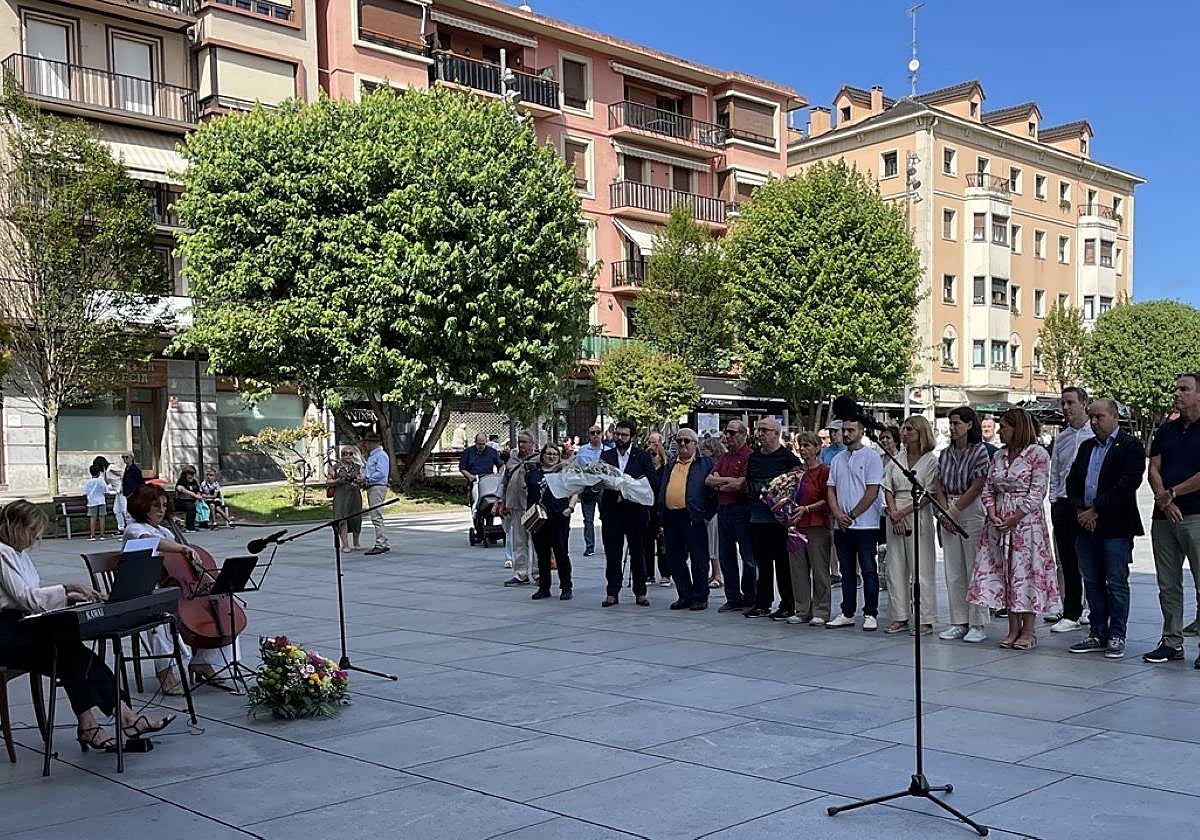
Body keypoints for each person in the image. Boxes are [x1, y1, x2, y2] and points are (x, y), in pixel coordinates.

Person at [0, 500, 175, 752]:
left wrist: (72, 597)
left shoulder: (18, 554)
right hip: (6, 634)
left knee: (71, 651)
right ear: (16, 527)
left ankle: (94, 725)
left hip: (19, 625)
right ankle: (122, 718)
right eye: (32, 531)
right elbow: (27, 598)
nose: (36, 538)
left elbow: (31, 597)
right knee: (70, 653)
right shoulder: (2, 552)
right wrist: (67, 589)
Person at [124, 484, 239, 691]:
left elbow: (178, 563)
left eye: (164, 506)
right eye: (156, 506)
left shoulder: (165, 531)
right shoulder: (134, 529)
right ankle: (164, 671)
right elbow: (151, 542)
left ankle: (201, 661)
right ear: (142, 506)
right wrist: (182, 547)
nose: (162, 510)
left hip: (169, 589)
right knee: (160, 618)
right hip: (141, 591)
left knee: (221, 612)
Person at [967, 408, 1060, 650]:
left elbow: (1038, 491)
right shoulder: (999, 455)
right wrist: (992, 512)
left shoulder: (1037, 454)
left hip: (1026, 525)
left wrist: (1015, 517)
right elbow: (988, 487)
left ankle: (1029, 630)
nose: (1000, 431)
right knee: (1006, 573)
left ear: (1017, 428)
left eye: (1005, 427)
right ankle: (1012, 628)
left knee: (1026, 574)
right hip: (998, 522)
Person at [1065, 398, 1145, 660]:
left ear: (1114, 417)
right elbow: (1072, 480)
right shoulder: (1087, 447)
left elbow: (1127, 484)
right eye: (1091, 417)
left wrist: (1096, 509)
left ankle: (1117, 634)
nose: (1094, 422)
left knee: (1116, 582)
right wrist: (1081, 510)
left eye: (1099, 417)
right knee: (1092, 581)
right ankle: (1098, 631)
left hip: (1115, 526)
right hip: (1085, 525)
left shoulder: (1130, 446)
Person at [1143, 373, 1200, 666]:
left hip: (1196, 515)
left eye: (1184, 389)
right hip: (1164, 517)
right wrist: (1163, 499)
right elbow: (1153, 468)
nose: (1177, 393)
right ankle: (1171, 642)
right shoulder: (1167, 429)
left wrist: (1172, 493)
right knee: (1168, 584)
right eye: (1176, 389)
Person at [933, 406, 992, 643]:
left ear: (969, 425)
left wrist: (954, 511)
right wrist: (945, 512)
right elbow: (938, 484)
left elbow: (977, 485)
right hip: (948, 505)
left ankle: (977, 622)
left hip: (970, 508)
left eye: (957, 423)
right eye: (951, 423)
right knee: (953, 569)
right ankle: (959, 621)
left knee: (974, 567)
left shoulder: (979, 451)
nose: (953, 428)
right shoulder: (945, 453)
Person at [882, 416, 939, 635]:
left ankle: (924, 618)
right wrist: (894, 514)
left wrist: (903, 513)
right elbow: (887, 486)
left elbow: (929, 493)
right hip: (895, 511)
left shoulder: (931, 461)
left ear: (921, 433)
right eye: (904, 429)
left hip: (917, 513)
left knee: (921, 567)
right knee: (895, 567)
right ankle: (899, 615)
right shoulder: (897, 458)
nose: (904, 433)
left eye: (909, 429)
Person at [826, 418, 884, 631]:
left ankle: (870, 613)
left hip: (865, 525)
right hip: (842, 526)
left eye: (851, 430)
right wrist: (837, 514)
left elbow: (872, 490)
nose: (846, 433)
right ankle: (847, 612)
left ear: (861, 431)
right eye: (844, 430)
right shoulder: (838, 459)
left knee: (868, 569)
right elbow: (831, 488)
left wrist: (851, 514)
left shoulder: (872, 457)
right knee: (846, 570)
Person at [1046, 387, 1094, 633]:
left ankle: (1093, 608)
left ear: (1084, 403)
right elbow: (1055, 470)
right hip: (1064, 503)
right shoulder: (1062, 437)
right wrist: (1054, 500)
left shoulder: (1094, 434)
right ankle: (1071, 610)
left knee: (1091, 559)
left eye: (1070, 403)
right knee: (1067, 560)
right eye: (1063, 403)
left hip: (1088, 504)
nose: (1065, 408)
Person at [746, 417, 800, 619]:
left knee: (783, 564)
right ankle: (762, 603)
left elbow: (796, 485)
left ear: (777, 434)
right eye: (759, 430)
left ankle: (788, 604)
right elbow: (749, 482)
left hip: (779, 521)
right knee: (762, 563)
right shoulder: (754, 457)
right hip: (757, 518)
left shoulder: (788, 458)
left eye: (765, 430)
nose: (760, 434)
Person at [599, 419, 656, 607]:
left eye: (624, 435)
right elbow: (598, 478)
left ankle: (640, 591)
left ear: (632, 437)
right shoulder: (606, 455)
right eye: (617, 434)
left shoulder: (642, 456)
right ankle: (612, 592)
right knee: (612, 553)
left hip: (635, 510)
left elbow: (651, 481)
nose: (620, 438)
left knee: (638, 551)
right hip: (612, 511)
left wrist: (630, 484)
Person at [658, 428, 716, 611]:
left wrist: (706, 516)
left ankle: (700, 596)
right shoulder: (671, 463)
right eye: (679, 441)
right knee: (674, 558)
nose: (682, 444)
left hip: (693, 516)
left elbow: (714, 494)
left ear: (695, 444)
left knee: (699, 559)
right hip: (671, 516)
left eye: (686, 441)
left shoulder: (705, 463)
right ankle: (684, 594)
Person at [707, 419, 756, 613]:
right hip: (724, 509)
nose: (727, 436)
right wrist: (726, 482)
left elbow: (740, 484)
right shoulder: (725, 457)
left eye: (732, 433)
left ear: (744, 435)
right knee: (726, 555)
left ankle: (750, 596)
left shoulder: (749, 456)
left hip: (742, 509)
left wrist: (721, 482)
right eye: (726, 432)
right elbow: (709, 480)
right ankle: (733, 597)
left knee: (748, 557)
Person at [786, 431, 832, 626]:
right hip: (795, 525)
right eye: (801, 445)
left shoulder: (824, 471)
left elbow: (828, 499)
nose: (803, 449)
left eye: (807, 445)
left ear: (817, 448)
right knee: (797, 569)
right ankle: (802, 608)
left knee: (819, 568)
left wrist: (807, 508)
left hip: (817, 524)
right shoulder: (795, 472)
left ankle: (821, 609)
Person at [527, 444, 576, 601]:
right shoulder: (533, 474)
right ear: (542, 456)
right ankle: (544, 587)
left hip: (558, 517)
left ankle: (566, 587)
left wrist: (570, 508)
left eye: (555, 454)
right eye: (548, 453)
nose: (551, 457)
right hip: (538, 519)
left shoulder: (563, 474)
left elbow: (575, 491)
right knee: (542, 555)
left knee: (561, 553)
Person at [498, 432, 537, 585]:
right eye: (520, 442)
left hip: (533, 507)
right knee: (519, 541)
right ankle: (521, 573)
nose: (521, 445)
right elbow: (505, 482)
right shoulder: (512, 460)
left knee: (536, 542)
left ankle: (538, 573)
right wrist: (501, 501)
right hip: (516, 506)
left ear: (532, 443)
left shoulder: (537, 460)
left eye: (525, 442)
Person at [574, 425, 606, 557]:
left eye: (598, 432)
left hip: (603, 487)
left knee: (606, 518)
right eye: (593, 433)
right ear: (589, 435)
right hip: (587, 488)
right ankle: (589, 546)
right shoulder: (582, 450)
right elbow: (577, 468)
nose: (596, 435)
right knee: (588, 519)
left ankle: (608, 544)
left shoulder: (607, 450)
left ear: (602, 434)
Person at [644, 431, 670, 587]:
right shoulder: (646, 471)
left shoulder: (665, 470)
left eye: (654, 454)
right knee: (647, 543)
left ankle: (666, 574)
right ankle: (648, 574)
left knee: (662, 544)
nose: (651, 457)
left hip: (661, 510)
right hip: (647, 510)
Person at [699, 436, 725, 590]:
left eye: (706, 449)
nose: (703, 451)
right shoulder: (709, 464)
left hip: (715, 509)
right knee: (711, 543)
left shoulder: (715, 466)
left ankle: (718, 575)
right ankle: (714, 573)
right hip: (709, 508)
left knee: (714, 544)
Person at [327, 446, 364, 552]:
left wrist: (360, 480)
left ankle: (356, 542)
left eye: (350, 454)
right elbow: (328, 481)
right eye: (345, 453)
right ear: (341, 455)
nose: (348, 456)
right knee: (342, 518)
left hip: (354, 495)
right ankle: (345, 545)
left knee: (356, 518)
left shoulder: (357, 467)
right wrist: (338, 480)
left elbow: (362, 479)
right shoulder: (335, 467)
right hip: (341, 495)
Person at [361, 433, 390, 555]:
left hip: (377, 486)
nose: (365, 445)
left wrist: (367, 478)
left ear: (374, 443)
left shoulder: (380, 455)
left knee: (376, 516)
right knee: (375, 515)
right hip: (373, 486)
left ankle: (381, 543)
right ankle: (382, 542)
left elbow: (381, 473)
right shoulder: (373, 456)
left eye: (367, 442)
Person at [83, 463, 109, 541]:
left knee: (93, 518)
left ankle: (92, 535)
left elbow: (84, 492)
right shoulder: (101, 481)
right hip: (101, 501)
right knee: (102, 517)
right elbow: (106, 491)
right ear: (99, 473)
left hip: (92, 502)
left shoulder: (88, 482)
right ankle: (102, 535)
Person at [174, 465, 203, 532]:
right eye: (190, 474)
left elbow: (198, 490)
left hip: (192, 501)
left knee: (198, 506)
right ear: (185, 474)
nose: (191, 476)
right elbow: (180, 488)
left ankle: (202, 524)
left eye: (193, 474)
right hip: (181, 502)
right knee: (191, 507)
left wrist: (198, 495)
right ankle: (189, 527)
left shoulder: (194, 481)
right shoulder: (182, 481)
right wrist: (193, 494)